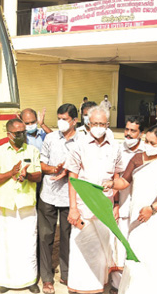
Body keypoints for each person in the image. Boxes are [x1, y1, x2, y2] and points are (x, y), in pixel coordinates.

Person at [103, 125, 157, 293]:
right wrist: (112, 183)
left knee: (155, 259)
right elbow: (124, 182)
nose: (147, 145)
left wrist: (152, 208)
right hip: (138, 217)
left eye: (152, 142)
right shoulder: (137, 158)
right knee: (136, 258)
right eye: (146, 141)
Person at [64, 105, 123, 294]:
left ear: (107, 125)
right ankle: (80, 288)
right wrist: (73, 208)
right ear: (88, 124)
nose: (98, 126)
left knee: (100, 251)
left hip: (104, 207)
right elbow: (72, 178)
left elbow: (117, 177)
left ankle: (97, 287)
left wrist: (116, 204)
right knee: (82, 248)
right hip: (83, 207)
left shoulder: (116, 147)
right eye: (95, 123)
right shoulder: (78, 145)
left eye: (102, 123)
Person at [0, 118, 42, 294]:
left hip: (26, 203)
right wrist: (10, 173)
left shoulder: (32, 151)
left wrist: (26, 176)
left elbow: (38, 175)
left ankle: (30, 279)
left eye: (23, 132)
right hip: (6, 204)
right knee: (6, 243)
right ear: (8, 134)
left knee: (28, 242)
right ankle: (4, 280)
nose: (21, 135)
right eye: (17, 133)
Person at [37, 104, 78, 294]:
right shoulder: (51, 138)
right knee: (46, 237)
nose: (61, 122)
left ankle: (66, 274)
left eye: (65, 119)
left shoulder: (82, 140)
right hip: (48, 195)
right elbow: (41, 163)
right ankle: (47, 278)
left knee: (68, 237)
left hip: (70, 197)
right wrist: (55, 169)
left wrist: (68, 170)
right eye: (59, 118)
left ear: (75, 121)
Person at [109, 116, 144, 294]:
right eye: (127, 130)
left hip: (140, 208)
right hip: (122, 205)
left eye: (133, 131)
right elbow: (115, 177)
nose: (128, 134)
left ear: (141, 133)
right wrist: (115, 203)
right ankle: (116, 286)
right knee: (119, 246)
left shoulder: (147, 152)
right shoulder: (118, 149)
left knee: (137, 246)